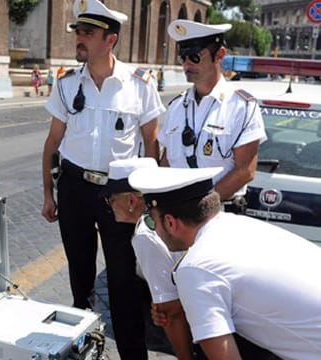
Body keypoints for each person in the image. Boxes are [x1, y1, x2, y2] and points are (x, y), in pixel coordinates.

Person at [41, 0, 165, 359]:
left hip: (120, 193)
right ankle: (83, 348)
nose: (79, 39)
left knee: (123, 280)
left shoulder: (139, 84)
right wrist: (49, 194)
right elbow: (52, 143)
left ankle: (132, 353)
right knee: (80, 277)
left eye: (87, 33)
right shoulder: (65, 84)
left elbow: (151, 146)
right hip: (75, 188)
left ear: (109, 40)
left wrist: (147, 200)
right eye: (78, 32)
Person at [128, 166, 321, 360]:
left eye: (152, 223)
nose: (155, 232)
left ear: (170, 222)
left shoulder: (196, 267)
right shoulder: (238, 225)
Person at [159, 20, 266, 212]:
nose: (187, 64)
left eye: (194, 56)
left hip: (221, 213)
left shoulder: (242, 106)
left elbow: (245, 171)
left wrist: (200, 209)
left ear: (220, 55)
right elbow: (166, 162)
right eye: (182, 57)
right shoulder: (176, 107)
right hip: (178, 215)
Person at [101, 157, 195, 360]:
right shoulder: (166, 216)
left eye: (111, 199)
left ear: (131, 201)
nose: (109, 206)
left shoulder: (144, 236)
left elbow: (170, 312)